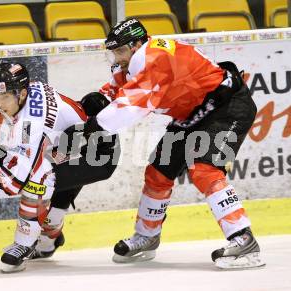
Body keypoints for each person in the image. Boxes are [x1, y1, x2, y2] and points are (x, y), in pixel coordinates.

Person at [81, 18, 264, 269]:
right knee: (157, 172)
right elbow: (117, 89)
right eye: (113, 52)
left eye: (120, 51)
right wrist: (98, 100)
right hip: (192, 115)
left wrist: (98, 125)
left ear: (136, 45)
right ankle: (147, 236)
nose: (117, 58)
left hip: (227, 107)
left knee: (204, 170)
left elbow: (134, 104)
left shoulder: (156, 56)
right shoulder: (131, 61)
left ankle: (244, 240)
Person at [0, 62, 120, 273]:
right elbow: (5, 147)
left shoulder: (30, 125)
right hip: (74, 141)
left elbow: (13, 182)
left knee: (39, 179)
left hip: (98, 154)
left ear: (20, 94)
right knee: (50, 184)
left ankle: (24, 244)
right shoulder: (27, 92)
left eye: (4, 97)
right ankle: (49, 243)